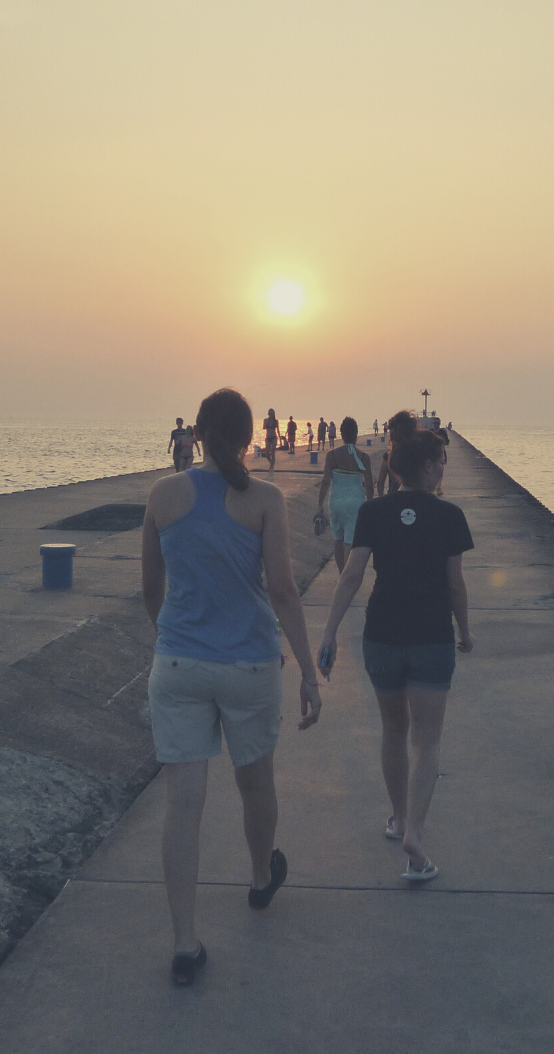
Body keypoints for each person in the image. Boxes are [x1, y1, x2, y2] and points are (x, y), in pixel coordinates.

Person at [142, 388, 322, 986]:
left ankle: (184, 943)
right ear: (250, 436)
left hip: (178, 665)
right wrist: (308, 671)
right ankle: (259, 877)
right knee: (256, 785)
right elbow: (282, 590)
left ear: (195, 432)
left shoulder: (163, 494)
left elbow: (151, 586)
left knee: (182, 807)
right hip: (247, 665)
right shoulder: (265, 499)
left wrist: (173, 637)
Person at [317, 410, 474, 880]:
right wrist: (465, 632)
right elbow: (456, 586)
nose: (444, 468)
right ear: (425, 467)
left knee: (392, 730)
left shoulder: (373, 512)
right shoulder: (449, 515)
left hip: (382, 635)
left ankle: (398, 817)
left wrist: (328, 632)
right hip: (430, 637)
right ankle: (415, 834)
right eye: (440, 462)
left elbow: (352, 574)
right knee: (427, 741)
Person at [315, 418, 373, 572]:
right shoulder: (363, 457)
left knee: (338, 538)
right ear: (356, 433)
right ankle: (347, 576)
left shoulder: (332, 455)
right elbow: (369, 485)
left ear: (341, 433)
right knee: (350, 540)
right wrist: (369, 505)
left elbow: (326, 481)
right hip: (356, 502)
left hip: (336, 501)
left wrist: (320, 504)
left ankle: (341, 574)